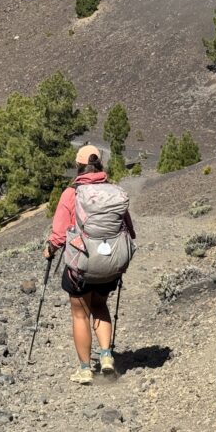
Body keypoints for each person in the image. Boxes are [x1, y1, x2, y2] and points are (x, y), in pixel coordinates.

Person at [44, 144, 135, 384]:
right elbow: (129, 229)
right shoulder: (114, 191)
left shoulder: (71, 194)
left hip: (82, 265)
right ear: (100, 165)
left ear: (79, 166)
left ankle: (85, 369)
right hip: (110, 263)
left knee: (80, 314)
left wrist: (50, 249)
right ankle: (106, 356)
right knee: (100, 307)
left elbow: (59, 233)